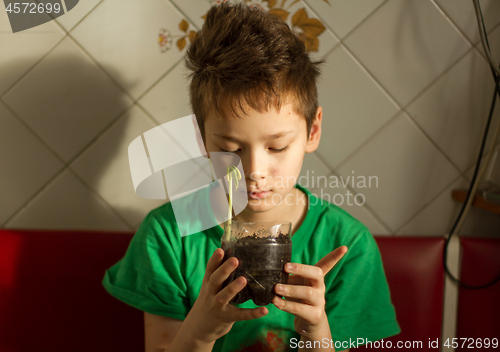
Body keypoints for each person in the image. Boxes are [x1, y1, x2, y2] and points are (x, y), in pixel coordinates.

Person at [102, 3, 400, 351]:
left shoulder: (348, 246)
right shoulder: (168, 237)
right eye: (231, 147)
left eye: (277, 147)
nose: (254, 172)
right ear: (201, 139)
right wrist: (201, 329)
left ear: (313, 131)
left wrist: (317, 331)